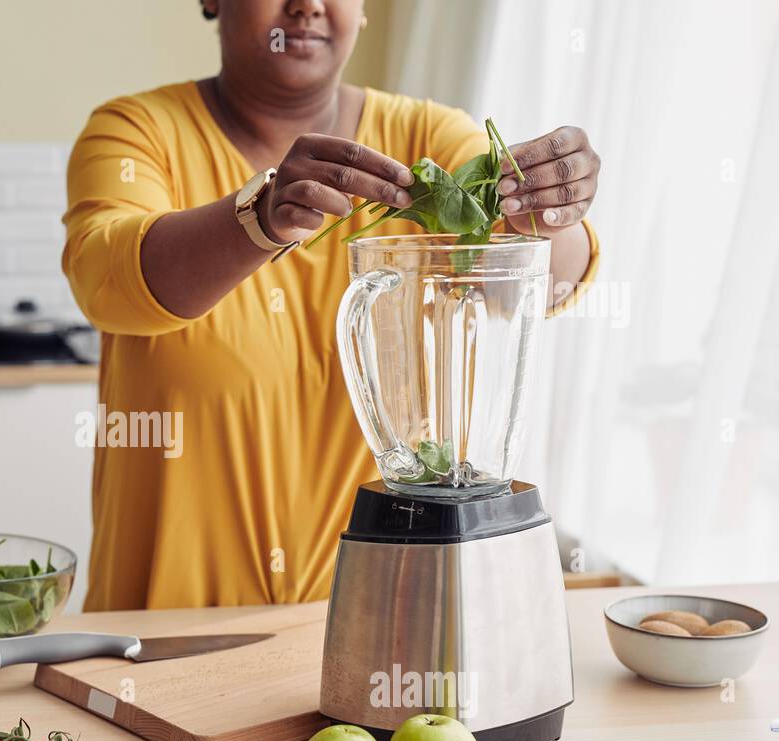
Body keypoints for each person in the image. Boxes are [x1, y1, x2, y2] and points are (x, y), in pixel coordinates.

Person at [62, 0, 600, 611]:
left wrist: (551, 211)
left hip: (387, 628)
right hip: (166, 632)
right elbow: (106, 281)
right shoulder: (136, 132)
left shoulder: (429, 140)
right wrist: (259, 218)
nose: (308, 6)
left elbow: (548, 283)